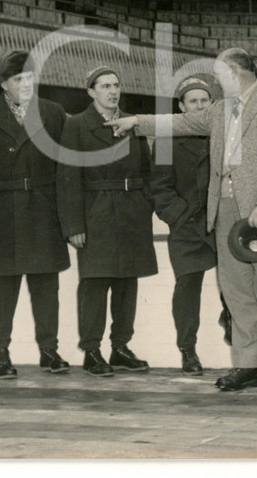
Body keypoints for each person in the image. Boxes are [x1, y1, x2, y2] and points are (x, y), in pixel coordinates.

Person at [109, 48, 257, 391]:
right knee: (236, 292)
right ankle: (248, 366)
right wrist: (135, 122)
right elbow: (181, 122)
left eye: (220, 75)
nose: (217, 83)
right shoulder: (219, 111)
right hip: (227, 211)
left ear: (235, 72)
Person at [0, 50, 71, 379]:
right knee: (1, 287)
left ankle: (49, 349)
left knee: (46, 286)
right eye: (17, 79)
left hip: (43, 209)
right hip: (2, 212)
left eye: (29, 77)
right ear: (3, 84)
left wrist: (64, 216)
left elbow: (65, 169)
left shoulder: (53, 114)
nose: (25, 84)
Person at [57, 66, 157, 377]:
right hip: (95, 212)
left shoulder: (131, 123)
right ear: (91, 92)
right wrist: (74, 225)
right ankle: (91, 350)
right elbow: (67, 178)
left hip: (131, 212)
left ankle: (121, 347)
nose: (112, 91)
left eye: (116, 85)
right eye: (104, 86)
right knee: (95, 283)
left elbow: (146, 170)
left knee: (128, 282)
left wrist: (145, 205)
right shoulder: (76, 126)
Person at [149, 76, 229, 376]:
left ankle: (232, 319)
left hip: (220, 222)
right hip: (186, 226)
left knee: (234, 282)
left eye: (204, 100)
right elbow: (160, 188)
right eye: (192, 101)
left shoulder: (223, 135)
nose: (199, 105)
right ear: (181, 106)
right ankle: (188, 349)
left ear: (212, 105)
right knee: (187, 286)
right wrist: (180, 215)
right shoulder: (167, 141)